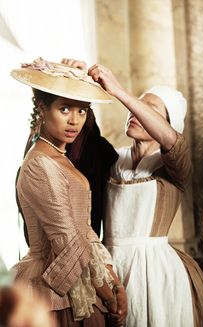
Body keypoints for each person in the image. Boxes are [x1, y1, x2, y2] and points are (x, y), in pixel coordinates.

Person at [62, 60, 203, 326]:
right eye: (136, 105)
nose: (134, 111)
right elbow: (82, 133)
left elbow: (174, 142)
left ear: (167, 124)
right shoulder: (111, 158)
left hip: (156, 275)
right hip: (110, 268)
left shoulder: (173, 167)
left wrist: (120, 92)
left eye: (148, 109)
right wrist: (81, 81)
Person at [10, 58, 127, 327]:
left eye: (82, 111)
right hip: (50, 288)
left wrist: (115, 286)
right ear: (42, 109)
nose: (74, 120)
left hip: (83, 278)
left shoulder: (59, 157)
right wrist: (109, 298)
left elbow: (85, 234)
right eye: (64, 109)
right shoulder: (39, 163)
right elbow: (69, 243)